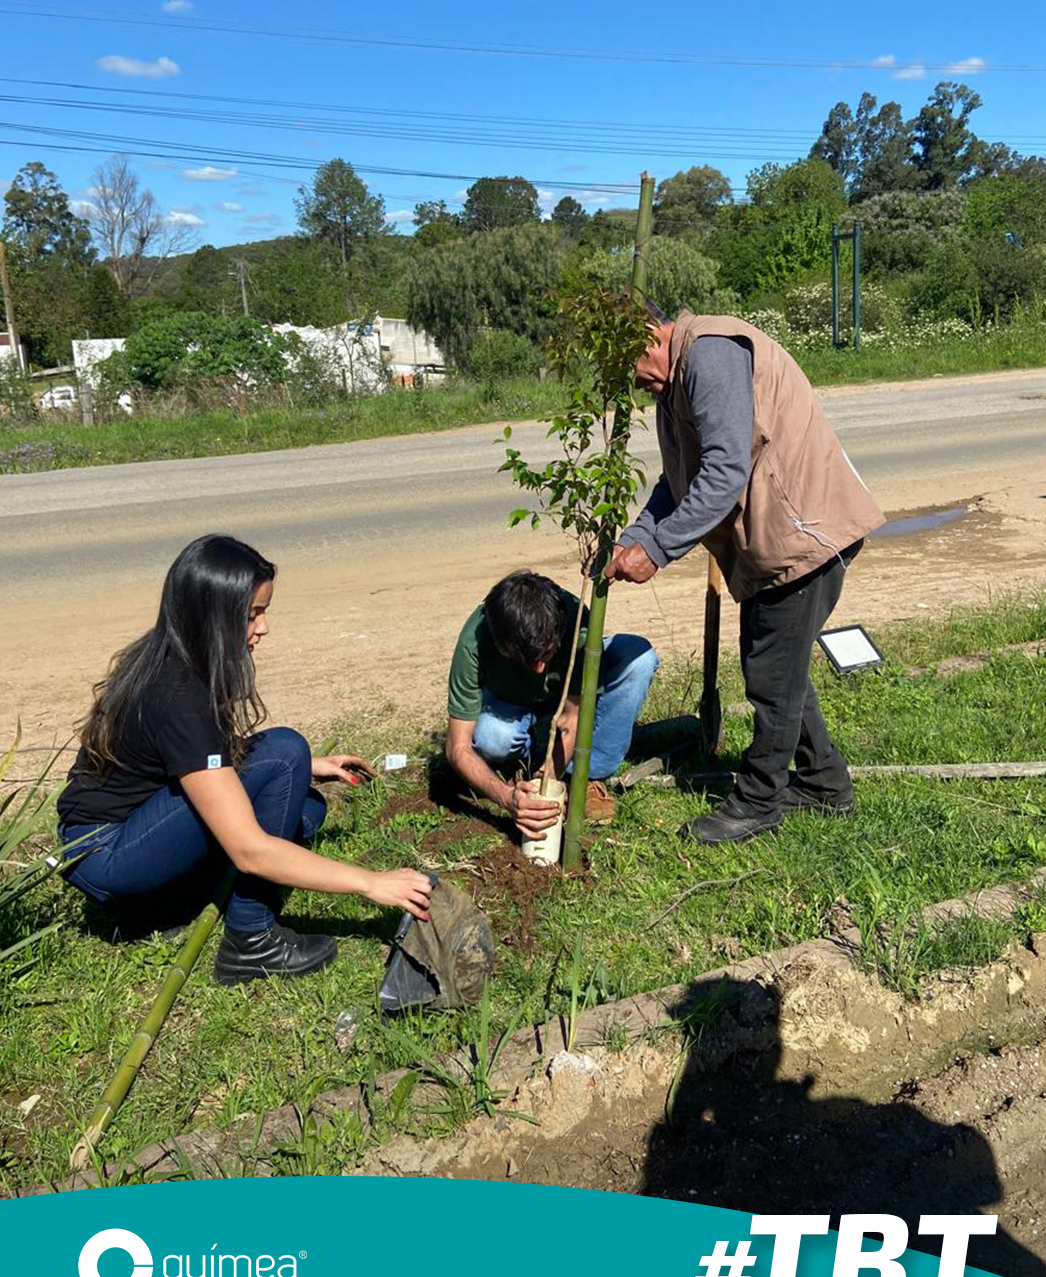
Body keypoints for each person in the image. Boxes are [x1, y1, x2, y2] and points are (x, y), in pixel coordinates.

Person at [56, 535, 432, 985]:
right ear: (212, 616)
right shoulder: (178, 695)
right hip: (106, 852)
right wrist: (372, 883)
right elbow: (250, 850)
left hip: (124, 830)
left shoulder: (172, 652)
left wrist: (310, 764)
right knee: (281, 760)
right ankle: (250, 940)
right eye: (252, 614)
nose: (264, 627)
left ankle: (166, 903)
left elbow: (188, 753)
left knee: (302, 803)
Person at [606, 308, 885, 844]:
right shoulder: (677, 381)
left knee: (771, 677)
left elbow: (725, 470)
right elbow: (680, 477)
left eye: (632, 368)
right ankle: (826, 784)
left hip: (804, 531)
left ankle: (758, 801)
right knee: (778, 666)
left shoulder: (709, 355)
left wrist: (659, 549)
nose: (635, 385)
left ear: (651, 337)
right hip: (778, 539)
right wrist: (639, 533)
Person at [444, 570, 659, 839]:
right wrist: (507, 797)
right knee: (492, 738)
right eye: (526, 660)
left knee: (639, 659)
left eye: (546, 654)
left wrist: (551, 779)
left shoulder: (575, 620)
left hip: (565, 700)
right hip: (510, 704)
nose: (540, 669)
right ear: (500, 643)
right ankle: (523, 763)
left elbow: (573, 714)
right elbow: (457, 747)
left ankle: (590, 774)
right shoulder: (475, 640)